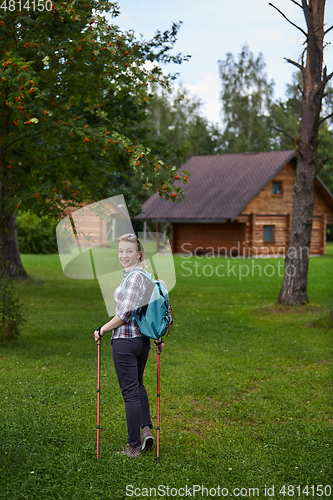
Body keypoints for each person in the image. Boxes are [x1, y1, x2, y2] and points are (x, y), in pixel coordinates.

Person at [94, 233, 164, 458]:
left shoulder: (134, 278)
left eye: (129, 251)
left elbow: (124, 315)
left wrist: (103, 329)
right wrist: (158, 338)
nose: (123, 255)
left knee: (130, 393)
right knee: (138, 385)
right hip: (141, 341)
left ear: (139, 253)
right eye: (120, 251)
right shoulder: (146, 276)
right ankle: (145, 430)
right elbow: (151, 312)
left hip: (125, 341)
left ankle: (133, 447)